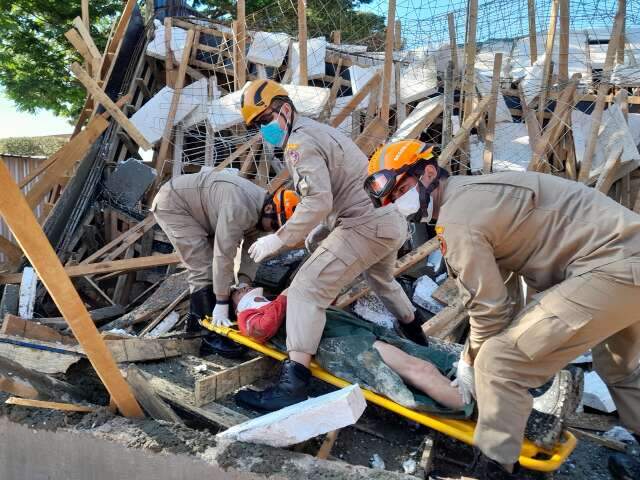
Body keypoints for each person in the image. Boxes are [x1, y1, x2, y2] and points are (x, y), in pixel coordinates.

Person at [364, 139, 640, 478]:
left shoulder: (457, 220)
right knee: (621, 367)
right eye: (390, 199)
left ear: (429, 172)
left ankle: (494, 469)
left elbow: (489, 310)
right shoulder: (474, 193)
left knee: (500, 359)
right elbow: (504, 298)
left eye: (402, 189)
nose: (398, 202)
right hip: (626, 261)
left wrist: (471, 362)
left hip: (611, 269)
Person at [238, 79, 428, 412]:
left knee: (305, 292)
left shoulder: (298, 144)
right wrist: (320, 233)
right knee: (382, 280)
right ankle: (419, 339)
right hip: (389, 221)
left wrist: (279, 238)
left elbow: (318, 200)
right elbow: (342, 188)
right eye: (257, 126)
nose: (263, 129)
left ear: (285, 109)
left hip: (363, 226)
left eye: (265, 120)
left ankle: (292, 385)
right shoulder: (318, 130)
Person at [152, 169, 299, 358]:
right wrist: (222, 301)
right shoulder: (240, 208)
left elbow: (250, 252)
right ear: (270, 209)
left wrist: (245, 281)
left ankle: (199, 324)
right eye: (274, 226)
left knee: (217, 273)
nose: (272, 230)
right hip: (174, 205)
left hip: (202, 211)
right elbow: (223, 254)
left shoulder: (263, 210)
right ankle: (208, 336)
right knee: (203, 268)